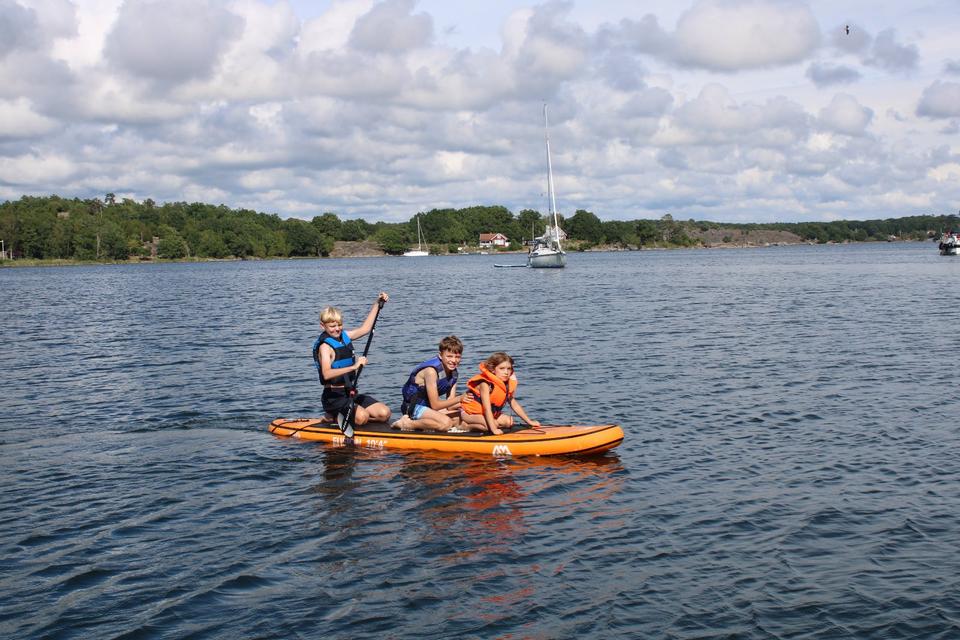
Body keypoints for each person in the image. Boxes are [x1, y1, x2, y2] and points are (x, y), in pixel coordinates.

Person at [313, 292, 392, 426]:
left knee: (384, 413)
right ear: (323, 326)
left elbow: (366, 329)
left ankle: (352, 416)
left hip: (350, 392)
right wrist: (354, 367)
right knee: (362, 417)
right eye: (332, 326)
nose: (337, 329)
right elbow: (326, 374)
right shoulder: (325, 347)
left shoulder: (345, 336)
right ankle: (331, 416)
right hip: (333, 397)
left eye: (339, 325)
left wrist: (377, 304)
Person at [393, 336, 464, 432]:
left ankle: (430, 424)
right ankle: (407, 423)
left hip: (428, 407)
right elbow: (435, 405)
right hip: (413, 407)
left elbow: (450, 405)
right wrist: (460, 398)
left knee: (462, 417)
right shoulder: (431, 372)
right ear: (440, 355)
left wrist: (467, 402)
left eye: (457, 357)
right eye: (449, 356)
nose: (454, 360)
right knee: (446, 423)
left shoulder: (454, 373)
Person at [459, 352, 540, 435]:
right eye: (502, 368)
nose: (506, 372)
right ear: (493, 369)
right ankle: (465, 426)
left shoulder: (505, 385)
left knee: (509, 421)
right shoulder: (485, 384)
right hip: (470, 413)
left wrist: (529, 421)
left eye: (509, 369)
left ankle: (491, 423)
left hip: (489, 414)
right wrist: (494, 429)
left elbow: (514, 404)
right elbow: (487, 408)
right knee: (492, 425)